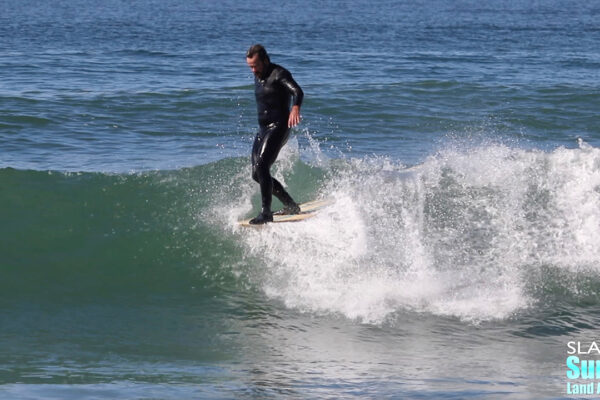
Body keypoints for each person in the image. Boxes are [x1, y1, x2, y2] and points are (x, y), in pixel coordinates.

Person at [245, 44, 304, 224]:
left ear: (265, 60)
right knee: (257, 173)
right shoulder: (259, 75)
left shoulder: (279, 74)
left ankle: (266, 212)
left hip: (279, 126)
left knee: (262, 164)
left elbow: (297, 91)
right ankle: (290, 204)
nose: (253, 70)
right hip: (263, 129)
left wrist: (295, 107)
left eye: (256, 66)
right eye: (250, 67)